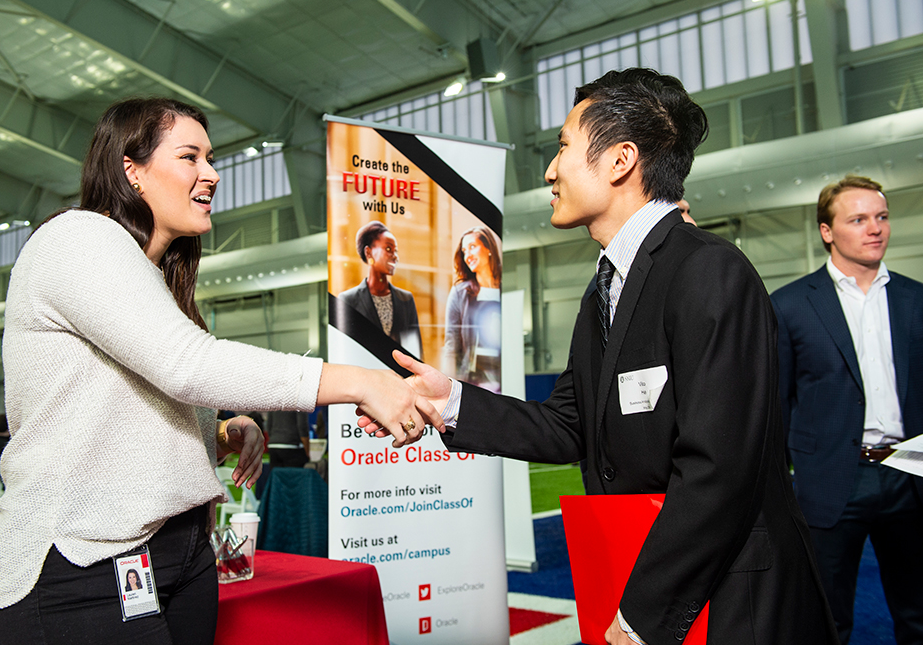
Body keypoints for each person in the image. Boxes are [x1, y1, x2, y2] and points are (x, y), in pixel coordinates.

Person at [369, 68, 838, 644]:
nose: (549, 169)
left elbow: (718, 470)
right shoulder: (605, 288)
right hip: (648, 577)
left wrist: (641, 614)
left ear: (620, 161)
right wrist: (452, 401)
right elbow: (570, 423)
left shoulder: (709, 272)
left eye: (563, 146)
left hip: (729, 601)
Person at [0, 97, 439, 645]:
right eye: (190, 157)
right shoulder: (77, 238)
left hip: (181, 553)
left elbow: (127, 412)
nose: (213, 174)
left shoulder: (153, 277)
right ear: (132, 170)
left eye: (210, 158)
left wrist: (217, 434)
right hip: (80, 563)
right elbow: (186, 364)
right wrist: (361, 380)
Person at [770, 175, 923, 645]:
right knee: (825, 620)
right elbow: (777, 403)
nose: (874, 228)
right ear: (827, 231)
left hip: (910, 476)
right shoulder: (789, 305)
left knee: (918, 616)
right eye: (857, 219)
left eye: (881, 217)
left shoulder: (916, 299)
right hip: (832, 480)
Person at [340, 221, 422, 358]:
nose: (395, 256)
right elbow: (347, 351)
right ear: (368, 252)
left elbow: (415, 351)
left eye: (396, 251)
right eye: (389, 249)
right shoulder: (348, 300)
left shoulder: (406, 299)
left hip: (400, 377)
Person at [443, 227, 502, 391]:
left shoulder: (505, 291)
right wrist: (449, 390)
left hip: (503, 385)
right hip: (471, 385)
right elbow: (451, 345)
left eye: (472, 247)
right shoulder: (460, 293)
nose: (467, 255)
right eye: (464, 251)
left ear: (488, 248)